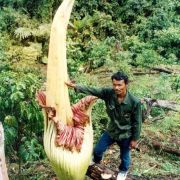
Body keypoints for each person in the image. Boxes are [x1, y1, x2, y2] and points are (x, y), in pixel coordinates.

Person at [65, 71, 142, 180]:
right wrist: (76, 86)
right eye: (114, 84)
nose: (116, 87)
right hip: (112, 131)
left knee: (124, 157)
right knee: (97, 150)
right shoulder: (108, 93)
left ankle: (123, 171)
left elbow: (137, 122)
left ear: (126, 84)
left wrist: (135, 139)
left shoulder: (134, 102)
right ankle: (96, 162)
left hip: (125, 134)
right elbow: (93, 90)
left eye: (119, 85)